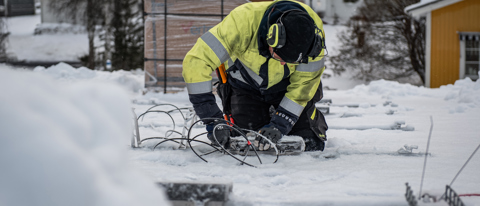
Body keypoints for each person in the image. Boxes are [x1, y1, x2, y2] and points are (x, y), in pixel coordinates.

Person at [182, 0, 328, 151]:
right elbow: (196, 62)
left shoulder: (312, 36)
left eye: (291, 61)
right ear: (272, 39)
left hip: (288, 86)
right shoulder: (241, 23)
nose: (284, 64)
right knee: (245, 143)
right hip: (246, 86)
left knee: (310, 143)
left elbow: (304, 85)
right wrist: (212, 118)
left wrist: (281, 123)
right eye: (280, 57)